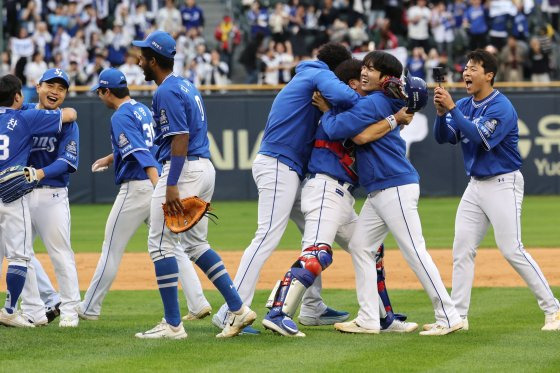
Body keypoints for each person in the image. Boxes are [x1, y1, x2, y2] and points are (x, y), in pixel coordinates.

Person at [213, 42, 412, 333]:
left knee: (358, 246)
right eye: (357, 74)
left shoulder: (324, 92)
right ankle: (232, 310)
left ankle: (327, 309)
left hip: (299, 174)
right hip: (282, 164)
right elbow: (352, 102)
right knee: (272, 236)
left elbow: (356, 115)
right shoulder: (318, 76)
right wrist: (390, 107)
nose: (360, 79)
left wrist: (386, 113)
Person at [261, 58, 418, 337]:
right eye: (359, 77)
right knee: (317, 254)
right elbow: (350, 127)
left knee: (371, 250)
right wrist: (395, 117)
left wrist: (397, 117)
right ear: (350, 84)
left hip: (342, 196)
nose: (363, 81)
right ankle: (278, 311)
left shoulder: (344, 108)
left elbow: (372, 124)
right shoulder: (340, 111)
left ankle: (383, 317)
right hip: (324, 188)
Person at [316, 51, 463, 336]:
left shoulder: (376, 101)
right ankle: (369, 318)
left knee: (415, 251)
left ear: (386, 78)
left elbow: (337, 129)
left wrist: (326, 109)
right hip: (380, 189)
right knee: (360, 246)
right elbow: (361, 135)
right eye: (365, 67)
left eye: (372, 69)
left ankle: (448, 315)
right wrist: (397, 116)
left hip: (394, 184)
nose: (364, 72)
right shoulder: (383, 100)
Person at [132, 31, 256, 339]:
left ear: (154, 60)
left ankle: (173, 325)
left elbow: (180, 138)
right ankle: (239, 310)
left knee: (159, 244)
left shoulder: (166, 91)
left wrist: (171, 182)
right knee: (195, 244)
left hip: (183, 169)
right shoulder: (185, 84)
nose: (139, 59)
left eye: (143, 55)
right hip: (203, 168)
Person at [432, 49, 560, 332]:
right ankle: (458, 317)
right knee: (462, 249)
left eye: (473, 68)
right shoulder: (464, 104)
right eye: (465, 67)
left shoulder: (501, 106)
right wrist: (441, 114)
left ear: (488, 75)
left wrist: (452, 108)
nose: (466, 72)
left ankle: (555, 309)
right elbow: (444, 138)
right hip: (475, 185)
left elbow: (478, 137)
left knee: (512, 249)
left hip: (503, 183)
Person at [77, 68, 212, 323]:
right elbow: (148, 143)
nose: (99, 97)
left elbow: (141, 152)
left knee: (111, 249)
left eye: (100, 92)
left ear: (107, 91)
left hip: (139, 187)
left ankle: (90, 307)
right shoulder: (140, 108)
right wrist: (110, 158)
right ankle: (198, 302)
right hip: (155, 182)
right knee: (173, 246)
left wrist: (155, 184)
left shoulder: (119, 117)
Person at [0, 74, 77, 328]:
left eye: (61, 88)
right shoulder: (26, 113)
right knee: (21, 253)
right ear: (38, 88)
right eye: (50, 85)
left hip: (51, 193)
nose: (55, 91)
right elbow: (71, 113)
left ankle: (69, 310)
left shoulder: (58, 121)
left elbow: (68, 161)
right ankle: (33, 309)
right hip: (19, 193)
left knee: (59, 253)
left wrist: (39, 173)